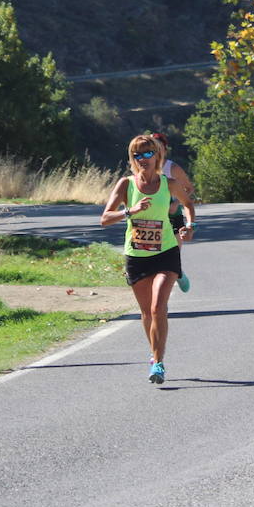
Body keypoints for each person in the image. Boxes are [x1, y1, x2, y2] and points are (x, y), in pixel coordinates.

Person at [100, 133, 196, 384]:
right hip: (137, 256)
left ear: (157, 156)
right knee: (146, 313)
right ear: (132, 159)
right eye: (137, 155)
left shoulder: (169, 184)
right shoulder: (126, 185)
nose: (143, 159)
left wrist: (189, 226)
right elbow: (105, 219)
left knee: (157, 308)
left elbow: (188, 204)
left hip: (165, 252)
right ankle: (154, 356)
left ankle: (159, 363)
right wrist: (129, 211)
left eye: (148, 153)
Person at [148, 132, 196, 293]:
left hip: (173, 216)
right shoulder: (143, 167)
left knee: (173, 256)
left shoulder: (172, 168)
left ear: (165, 149)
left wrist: (176, 203)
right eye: (151, 147)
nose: (155, 151)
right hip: (152, 218)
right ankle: (162, 294)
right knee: (153, 259)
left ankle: (178, 273)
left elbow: (189, 188)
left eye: (158, 147)